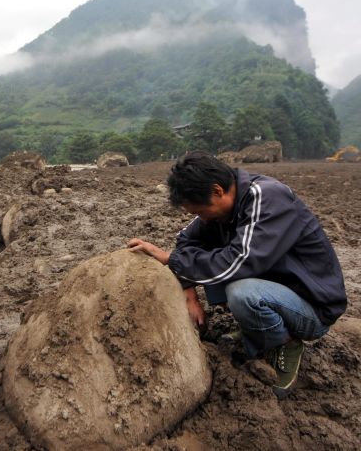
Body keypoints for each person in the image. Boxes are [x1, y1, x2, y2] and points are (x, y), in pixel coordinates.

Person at [128, 151, 346, 398]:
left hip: (312, 307)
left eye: (201, 211)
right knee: (209, 255)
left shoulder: (267, 197)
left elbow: (238, 262)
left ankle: (286, 344)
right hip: (276, 288)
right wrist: (189, 293)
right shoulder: (223, 206)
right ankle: (256, 332)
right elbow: (186, 240)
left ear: (218, 191)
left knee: (241, 292)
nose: (202, 218)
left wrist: (173, 260)